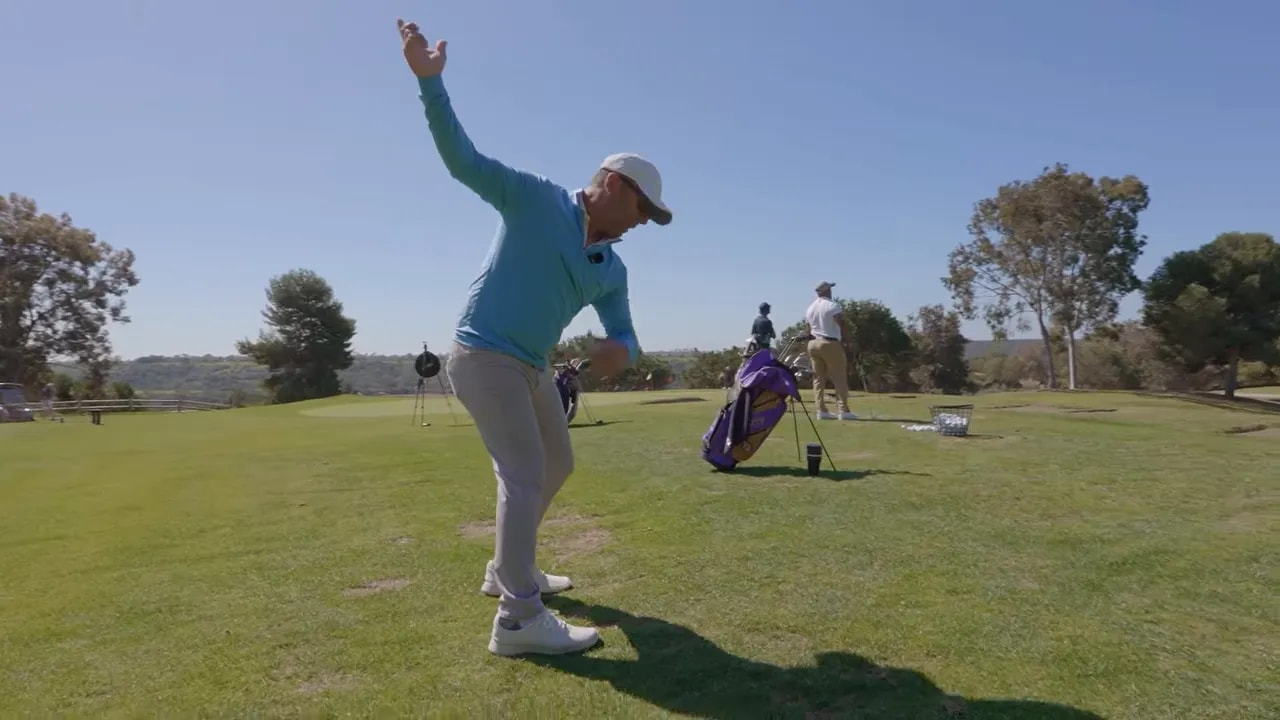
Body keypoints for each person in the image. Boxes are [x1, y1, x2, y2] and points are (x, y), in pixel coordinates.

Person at [396, 18, 674, 657]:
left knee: (557, 463)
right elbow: (461, 159)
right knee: (521, 473)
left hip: (532, 366)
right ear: (612, 185)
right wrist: (430, 84)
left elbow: (626, 334)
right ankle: (519, 619)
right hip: (482, 353)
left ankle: (507, 570)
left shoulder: (611, 267)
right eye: (642, 211)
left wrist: (619, 353)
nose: (643, 224)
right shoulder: (532, 198)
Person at [804, 282, 856, 421]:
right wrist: (848, 338)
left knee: (818, 379)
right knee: (839, 377)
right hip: (829, 342)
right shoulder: (832, 305)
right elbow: (840, 322)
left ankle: (821, 410)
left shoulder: (810, 308)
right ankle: (843, 410)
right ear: (827, 291)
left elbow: (808, 329)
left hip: (813, 343)